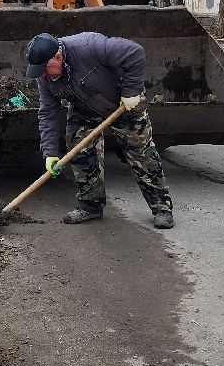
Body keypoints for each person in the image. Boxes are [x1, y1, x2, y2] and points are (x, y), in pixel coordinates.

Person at [25, 31, 174, 230]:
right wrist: (50, 153)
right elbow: (48, 113)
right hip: (84, 108)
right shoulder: (45, 78)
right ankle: (90, 205)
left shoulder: (89, 46)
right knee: (79, 148)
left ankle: (162, 208)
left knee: (141, 154)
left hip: (124, 102)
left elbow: (135, 53)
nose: (42, 75)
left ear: (58, 57)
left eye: (44, 69)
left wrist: (131, 92)